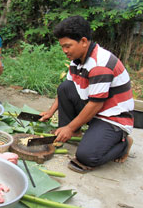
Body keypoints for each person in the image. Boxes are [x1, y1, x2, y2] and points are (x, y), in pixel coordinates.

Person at [40, 16, 134, 173]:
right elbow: (68, 88)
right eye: (62, 46)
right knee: (65, 87)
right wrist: (50, 112)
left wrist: (69, 127)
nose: (64, 51)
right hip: (95, 110)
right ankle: (76, 131)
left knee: (86, 156)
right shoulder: (77, 59)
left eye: (68, 46)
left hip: (112, 118)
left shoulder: (100, 65)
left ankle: (123, 143)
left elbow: (96, 104)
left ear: (83, 41)